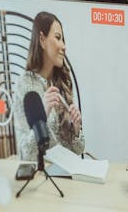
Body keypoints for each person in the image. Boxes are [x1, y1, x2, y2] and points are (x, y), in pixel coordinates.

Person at [13, 12, 84, 161]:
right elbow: (26, 154)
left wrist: (76, 129)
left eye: (63, 40)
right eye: (58, 38)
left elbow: (77, 150)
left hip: (64, 174)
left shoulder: (62, 84)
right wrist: (42, 115)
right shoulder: (24, 86)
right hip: (40, 176)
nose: (64, 46)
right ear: (42, 40)